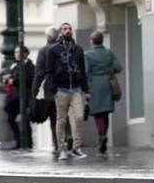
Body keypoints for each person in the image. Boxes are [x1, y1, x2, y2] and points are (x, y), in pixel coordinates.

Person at [46, 22, 89, 160]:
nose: (68, 31)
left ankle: (76, 147)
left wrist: (86, 89)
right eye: (65, 29)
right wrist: (53, 89)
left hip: (76, 89)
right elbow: (49, 71)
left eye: (70, 29)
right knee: (61, 120)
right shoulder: (53, 50)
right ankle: (62, 149)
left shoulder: (78, 50)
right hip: (61, 89)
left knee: (79, 117)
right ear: (60, 33)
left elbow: (82, 70)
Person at [32, 26, 72, 153]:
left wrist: (35, 89)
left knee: (54, 116)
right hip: (66, 86)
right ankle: (68, 134)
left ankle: (58, 145)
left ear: (48, 37)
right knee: (63, 112)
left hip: (51, 87)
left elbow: (39, 73)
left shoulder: (44, 51)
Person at [84, 31, 122, 156]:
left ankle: (102, 135)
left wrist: (86, 89)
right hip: (107, 84)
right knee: (105, 113)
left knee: (97, 113)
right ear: (102, 40)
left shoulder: (88, 55)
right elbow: (118, 68)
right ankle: (104, 136)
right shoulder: (109, 53)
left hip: (94, 85)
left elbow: (86, 72)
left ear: (92, 41)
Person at [5, 45, 35, 149]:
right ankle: (19, 140)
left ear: (25, 53)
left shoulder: (29, 65)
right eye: (15, 52)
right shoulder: (14, 66)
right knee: (10, 118)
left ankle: (28, 142)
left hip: (25, 96)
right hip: (15, 97)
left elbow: (29, 78)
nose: (17, 54)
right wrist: (8, 78)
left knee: (25, 118)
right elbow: (10, 78)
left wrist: (14, 81)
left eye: (19, 52)